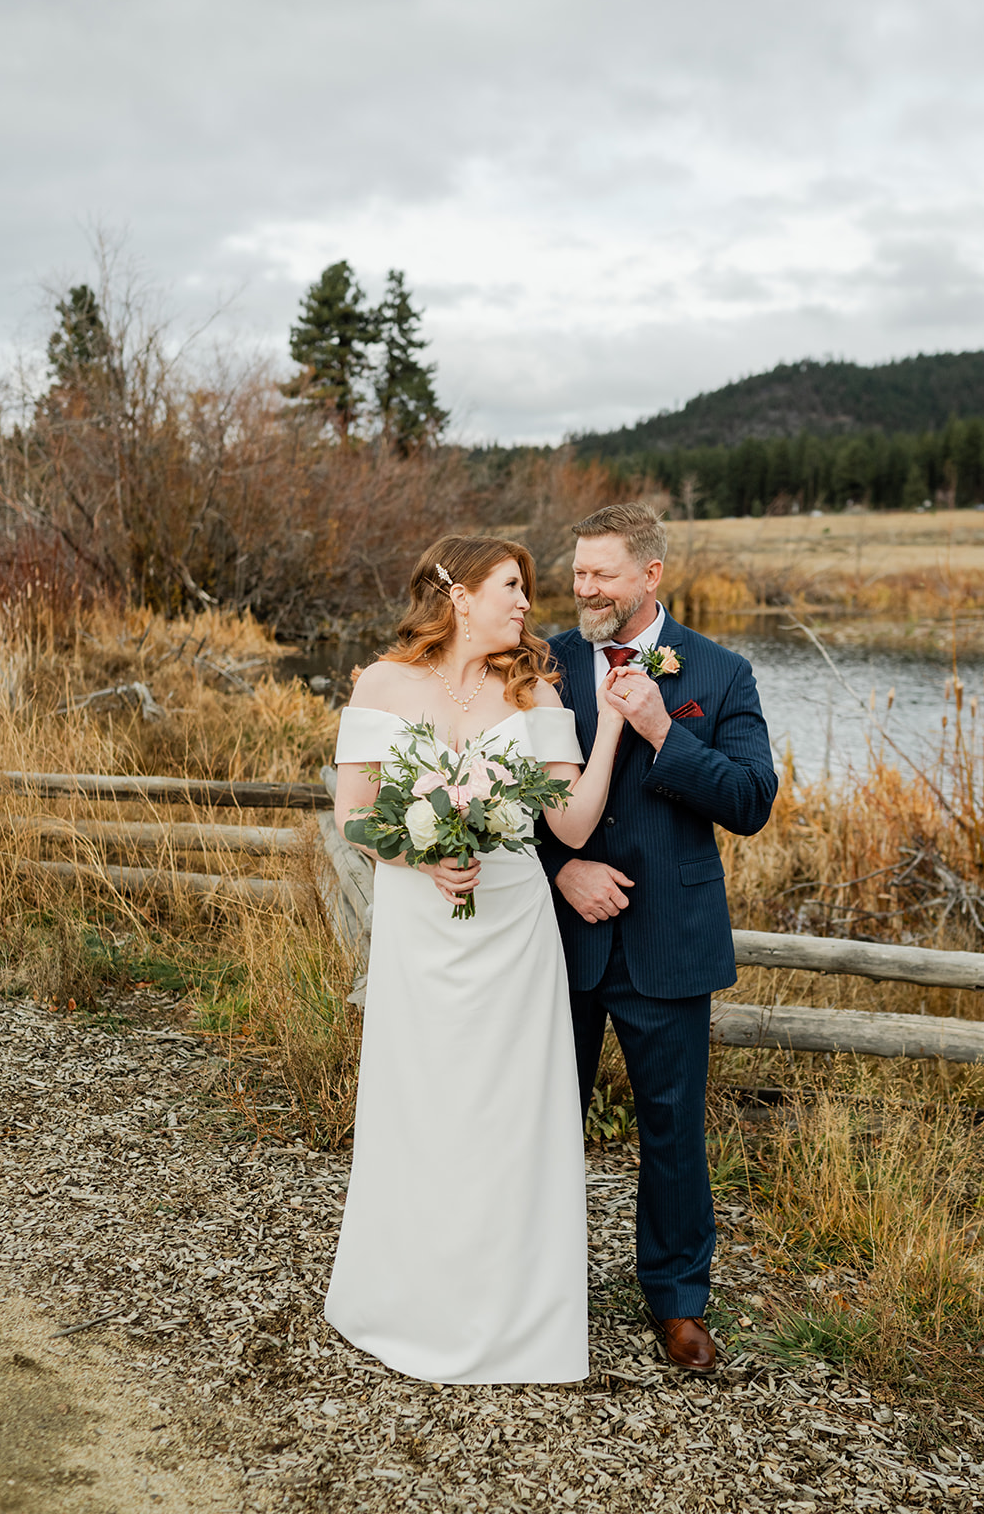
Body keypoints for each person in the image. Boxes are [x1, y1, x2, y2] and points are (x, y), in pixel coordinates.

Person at [324, 534, 626, 1384]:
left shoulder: (534, 684)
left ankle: (514, 1310)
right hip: (421, 921)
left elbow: (567, 826)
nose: (528, 604)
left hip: (511, 922)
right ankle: (408, 1296)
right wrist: (416, 855)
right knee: (421, 1100)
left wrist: (608, 733)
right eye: (511, 587)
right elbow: (351, 812)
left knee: (505, 1109)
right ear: (459, 596)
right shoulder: (382, 682)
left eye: (528, 589)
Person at [539, 502, 778, 1373]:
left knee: (672, 1128)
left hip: (669, 940)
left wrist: (655, 731)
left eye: (601, 573)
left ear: (650, 576)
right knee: (542, 1114)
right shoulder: (544, 664)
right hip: (556, 936)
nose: (582, 587)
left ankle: (677, 1302)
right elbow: (500, 786)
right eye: (577, 571)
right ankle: (539, 1279)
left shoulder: (718, 673)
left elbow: (751, 801)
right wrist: (557, 869)